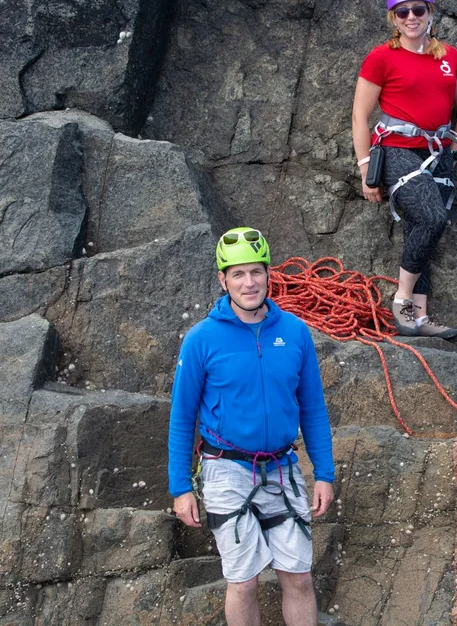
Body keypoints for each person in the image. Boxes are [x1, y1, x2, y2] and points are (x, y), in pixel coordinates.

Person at [167, 227, 335, 626]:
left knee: (299, 577)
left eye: (256, 272)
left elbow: (312, 408)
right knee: (243, 582)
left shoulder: (294, 333)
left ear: (268, 275)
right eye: (238, 274)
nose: (249, 282)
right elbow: (181, 417)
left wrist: (324, 473)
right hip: (226, 469)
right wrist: (180, 488)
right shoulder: (201, 340)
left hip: (282, 468)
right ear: (222, 280)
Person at [352, 0, 457, 339]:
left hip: (436, 154)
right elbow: (360, 115)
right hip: (396, 152)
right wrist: (364, 168)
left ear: (429, 12)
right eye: (402, 11)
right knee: (432, 217)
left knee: (423, 228)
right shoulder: (381, 58)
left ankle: (419, 317)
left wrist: (455, 149)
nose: (411, 17)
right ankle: (402, 300)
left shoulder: (450, 58)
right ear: (393, 18)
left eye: (417, 9)